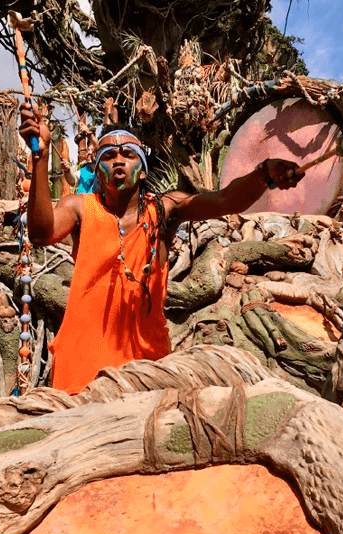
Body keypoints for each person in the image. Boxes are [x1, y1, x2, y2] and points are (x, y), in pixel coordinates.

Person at [19, 105, 304, 394]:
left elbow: (224, 201)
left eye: (128, 155)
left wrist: (263, 174)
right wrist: (40, 157)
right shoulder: (79, 207)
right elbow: (42, 233)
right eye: (108, 156)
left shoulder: (165, 209)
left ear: (142, 170)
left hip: (145, 367)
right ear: (99, 174)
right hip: (80, 363)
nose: (118, 161)